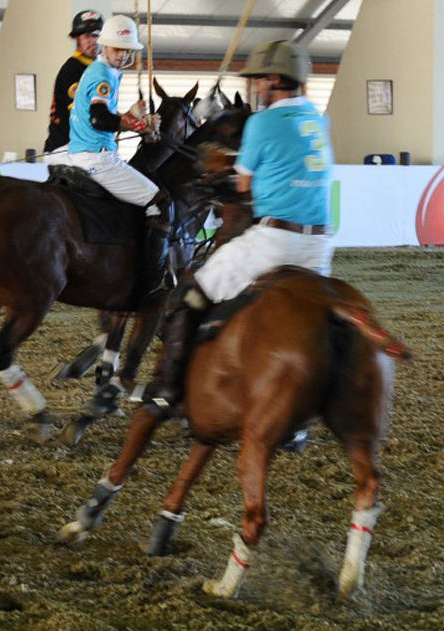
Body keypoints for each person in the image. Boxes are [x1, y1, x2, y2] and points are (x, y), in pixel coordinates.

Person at [138, 39, 333, 419]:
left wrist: (223, 172)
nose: (256, 85)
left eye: (260, 79)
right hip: (320, 246)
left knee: (192, 295)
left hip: (277, 241)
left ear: (275, 79)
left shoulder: (263, 121)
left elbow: (243, 185)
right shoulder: (317, 119)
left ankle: (168, 390)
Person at [66, 14, 161, 207]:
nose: (122, 55)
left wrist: (131, 115)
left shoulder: (105, 70)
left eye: (127, 50)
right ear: (104, 46)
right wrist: (138, 126)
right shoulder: (102, 74)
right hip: (97, 157)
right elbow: (99, 119)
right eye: (117, 49)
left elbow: (104, 113)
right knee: (158, 200)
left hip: (85, 154)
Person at [44, 10, 104, 157]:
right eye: (87, 36)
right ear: (77, 38)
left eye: (96, 35)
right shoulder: (73, 70)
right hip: (65, 150)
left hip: (80, 148)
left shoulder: (94, 69)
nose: (93, 41)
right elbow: (83, 116)